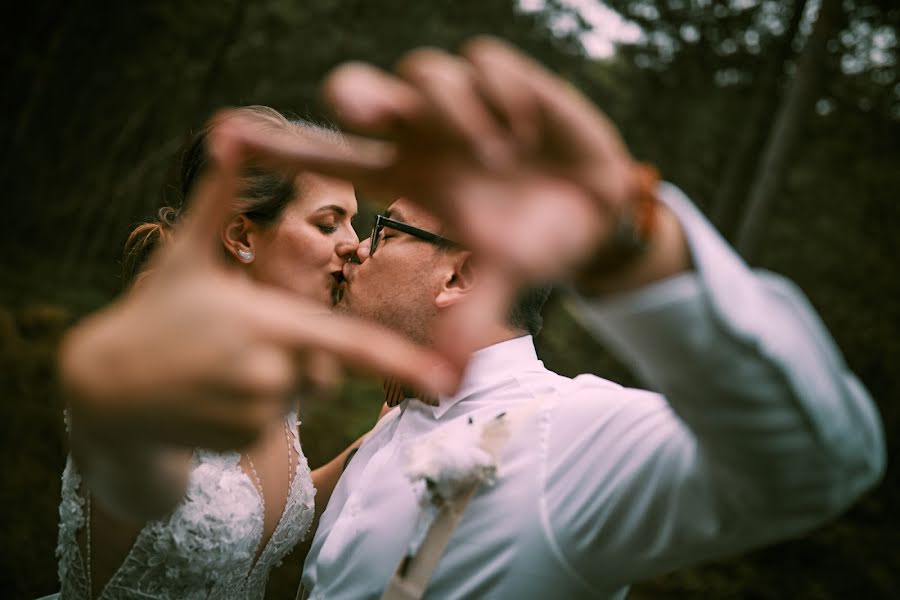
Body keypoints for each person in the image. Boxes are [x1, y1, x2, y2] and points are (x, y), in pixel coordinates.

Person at [280, 38, 885, 598]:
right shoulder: (394, 419)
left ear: (458, 278)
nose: (358, 247)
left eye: (383, 229)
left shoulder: (567, 433)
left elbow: (816, 469)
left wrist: (629, 248)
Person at [52, 105, 457, 600]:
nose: (355, 246)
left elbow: (254, 519)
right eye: (329, 224)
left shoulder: (264, 370)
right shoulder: (163, 371)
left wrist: (383, 431)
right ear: (243, 234)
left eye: (354, 223)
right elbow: (140, 478)